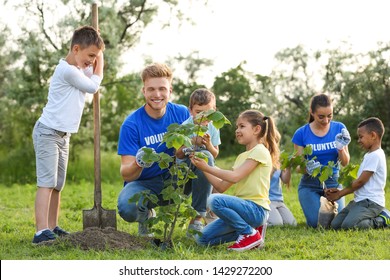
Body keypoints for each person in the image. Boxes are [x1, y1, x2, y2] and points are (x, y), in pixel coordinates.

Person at [32, 26, 105, 244]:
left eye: (95, 56)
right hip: (48, 132)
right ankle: (40, 232)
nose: (92, 60)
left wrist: (98, 55)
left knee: (58, 184)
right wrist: (100, 59)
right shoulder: (67, 71)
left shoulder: (79, 70)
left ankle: (52, 226)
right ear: (75, 49)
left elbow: (92, 76)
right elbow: (93, 86)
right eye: (90, 55)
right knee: (46, 182)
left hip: (64, 135)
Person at [117, 63, 191, 237]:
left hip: (177, 178)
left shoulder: (182, 114)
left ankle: (199, 219)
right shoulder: (132, 124)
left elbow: (200, 148)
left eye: (162, 89)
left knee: (206, 157)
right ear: (144, 91)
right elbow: (126, 174)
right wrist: (139, 162)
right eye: (151, 89)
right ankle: (146, 217)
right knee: (127, 206)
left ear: (170, 90)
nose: (157, 95)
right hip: (146, 183)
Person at [190, 110, 280, 251]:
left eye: (242, 126)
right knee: (201, 239)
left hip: (256, 209)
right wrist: (202, 167)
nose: (237, 130)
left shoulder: (260, 151)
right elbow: (221, 186)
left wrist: (207, 166)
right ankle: (253, 231)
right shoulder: (241, 157)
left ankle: (249, 233)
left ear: (257, 129)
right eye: (237, 127)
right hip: (243, 212)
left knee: (214, 200)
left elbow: (235, 176)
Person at [292, 93, 351, 228]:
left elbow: (345, 162)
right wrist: (306, 167)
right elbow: (298, 167)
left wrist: (341, 149)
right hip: (309, 184)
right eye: (321, 116)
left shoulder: (339, 128)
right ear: (312, 113)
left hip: (333, 183)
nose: (326, 120)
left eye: (330, 115)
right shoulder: (301, 133)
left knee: (336, 223)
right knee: (316, 223)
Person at [326, 117, 390, 229]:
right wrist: (340, 190)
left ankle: (383, 219)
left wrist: (339, 194)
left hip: (371, 203)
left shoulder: (376, 155)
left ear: (373, 135)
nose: (359, 140)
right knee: (335, 225)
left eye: (361, 137)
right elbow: (360, 181)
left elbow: (360, 182)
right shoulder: (369, 155)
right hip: (359, 201)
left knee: (349, 226)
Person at [175, 88, 221, 236]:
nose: (203, 117)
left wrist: (207, 145)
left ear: (214, 110)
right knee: (205, 158)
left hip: (203, 166)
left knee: (207, 157)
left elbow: (215, 153)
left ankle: (197, 218)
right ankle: (208, 213)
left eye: (208, 113)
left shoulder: (213, 127)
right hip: (184, 169)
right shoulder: (185, 127)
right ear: (191, 110)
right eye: (198, 112)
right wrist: (190, 143)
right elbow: (178, 154)